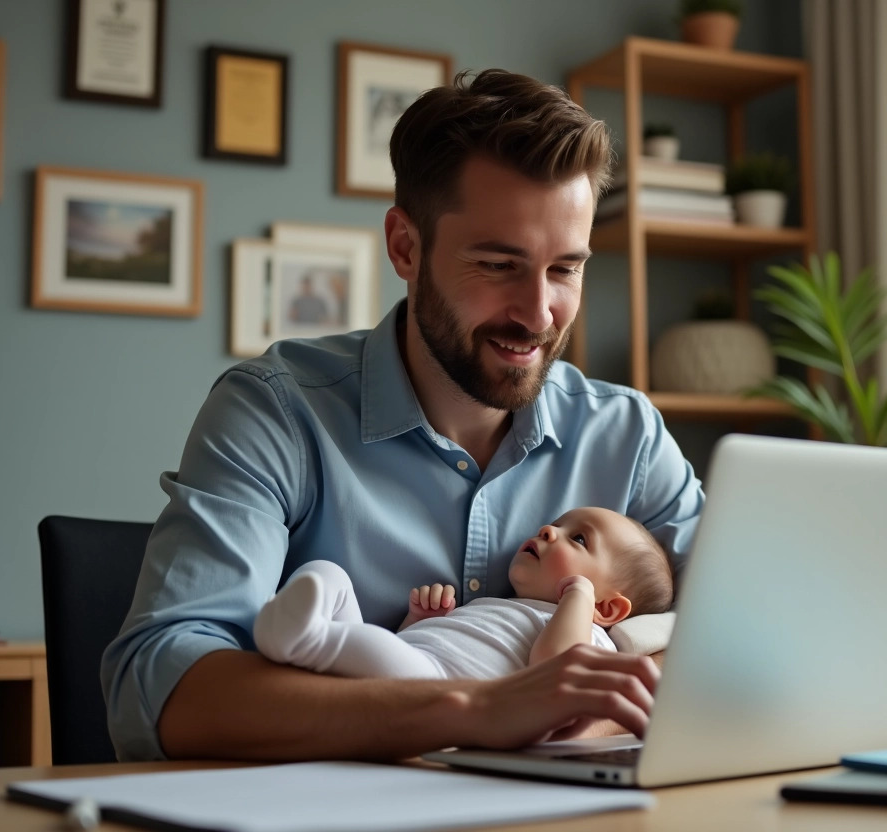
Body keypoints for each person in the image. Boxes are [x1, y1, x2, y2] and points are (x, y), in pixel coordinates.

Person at [101, 68, 704, 763]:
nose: (539, 313)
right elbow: (163, 691)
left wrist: (569, 714)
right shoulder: (276, 410)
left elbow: (753, 638)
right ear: (405, 247)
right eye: (499, 264)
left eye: (564, 269)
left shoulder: (624, 434)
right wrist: (474, 710)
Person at [253, 507, 675, 681]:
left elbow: (554, 669)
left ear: (606, 607)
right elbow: (410, 643)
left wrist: (578, 599)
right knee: (332, 574)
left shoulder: (589, 638)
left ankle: (302, 638)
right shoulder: (503, 605)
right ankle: (302, 609)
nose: (549, 531)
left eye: (578, 540)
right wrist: (419, 619)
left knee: (387, 659)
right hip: (406, 661)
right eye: (557, 524)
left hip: (435, 688)